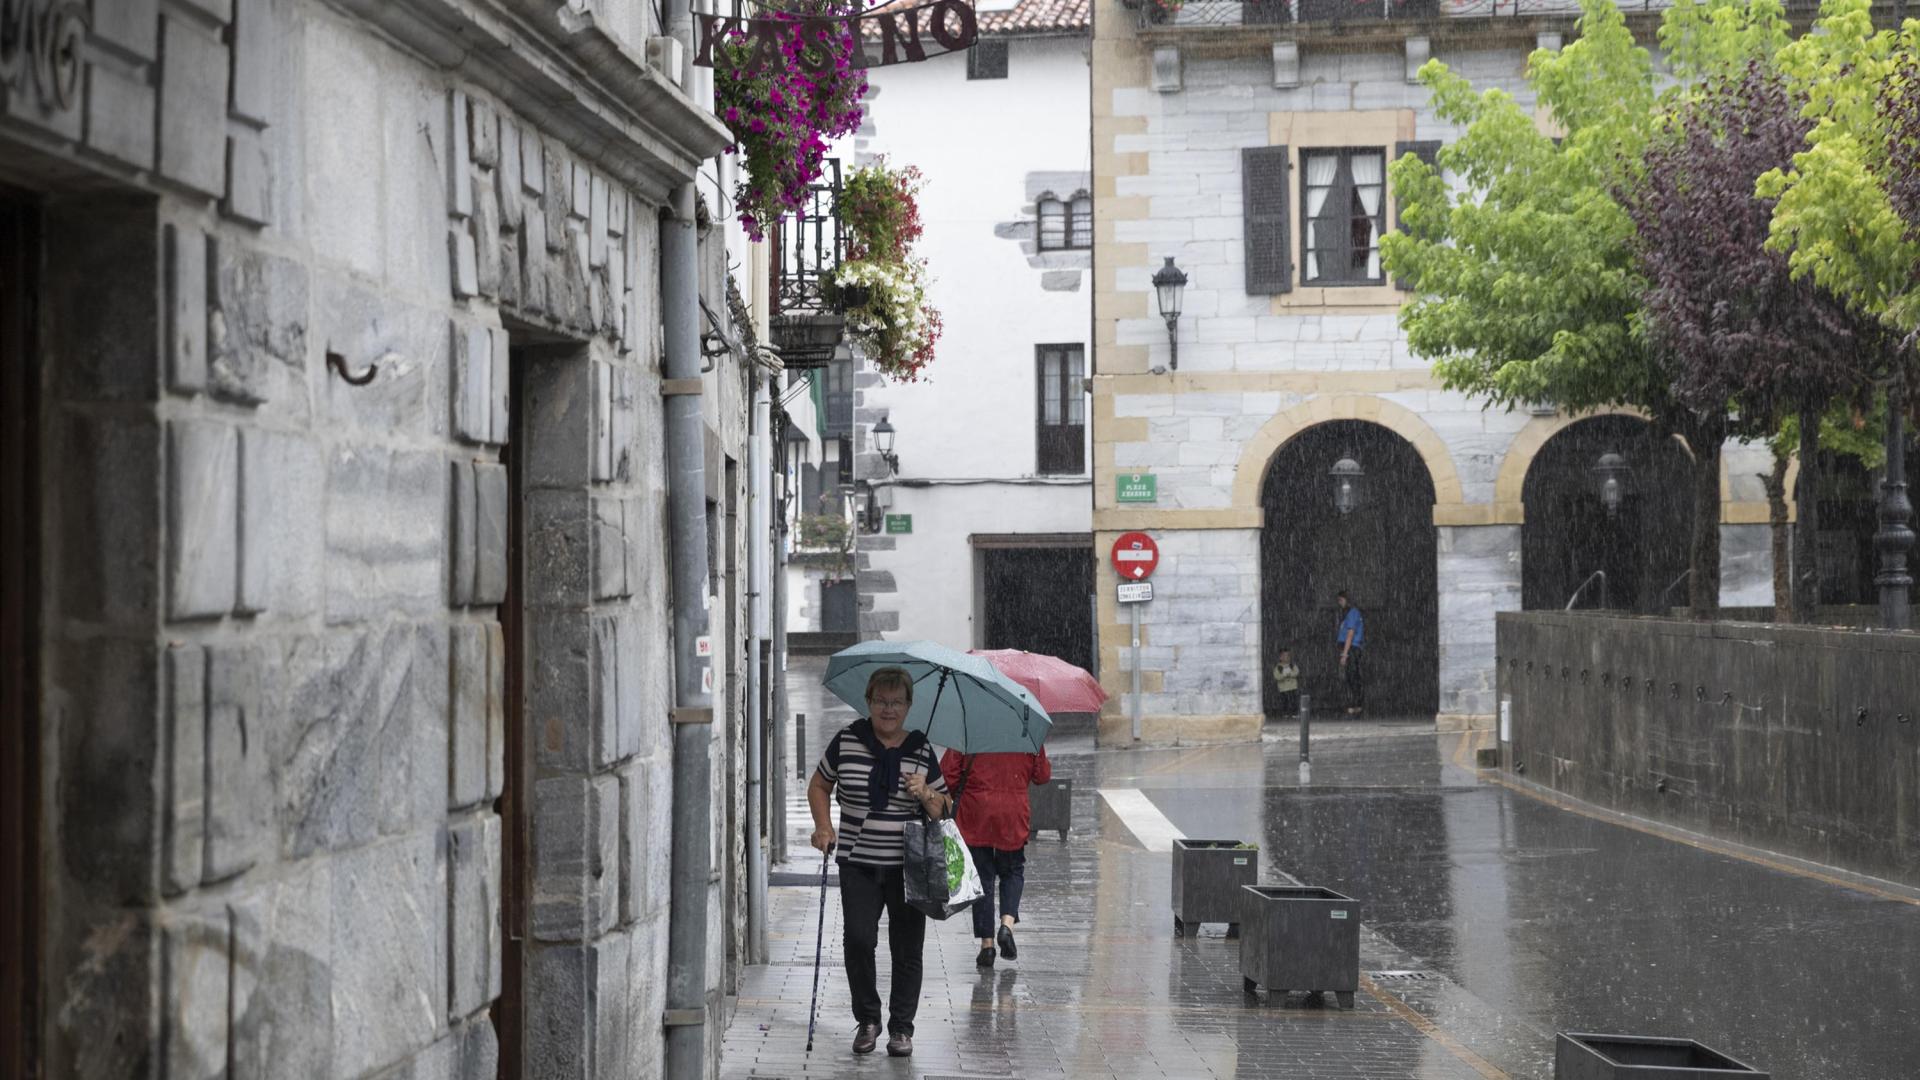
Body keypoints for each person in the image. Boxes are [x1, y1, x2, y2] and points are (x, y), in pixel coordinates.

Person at [807, 667, 952, 1058]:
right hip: (857, 862)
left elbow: (944, 809)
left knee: (907, 950)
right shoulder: (847, 740)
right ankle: (868, 1019)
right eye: (881, 701)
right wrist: (823, 826)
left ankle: (901, 1029)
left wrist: (925, 793)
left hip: (909, 867)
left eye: (896, 702)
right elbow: (820, 784)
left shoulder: (922, 750)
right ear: (868, 702)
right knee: (858, 940)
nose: (888, 709)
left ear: (908, 706)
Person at [939, 744, 1052, 969]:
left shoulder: (969, 732)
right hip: (1012, 813)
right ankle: (1007, 925)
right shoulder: (1027, 735)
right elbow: (1042, 775)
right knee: (1012, 871)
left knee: (982, 879)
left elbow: (948, 775)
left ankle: (987, 946)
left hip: (975, 812)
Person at [1335, 590, 1365, 715]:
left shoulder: (1352, 613)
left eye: (1341, 600)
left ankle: (1356, 704)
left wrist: (1345, 653)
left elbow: (1350, 634)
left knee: (1353, 677)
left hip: (1351, 649)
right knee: (1349, 677)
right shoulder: (1347, 614)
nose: (1340, 603)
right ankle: (1354, 703)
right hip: (1347, 648)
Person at [1271, 647, 1300, 718]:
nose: (1286, 658)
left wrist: (1290, 674)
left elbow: (1297, 672)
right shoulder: (1278, 667)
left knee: (1293, 700)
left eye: (1288, 656)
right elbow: (1276, 676)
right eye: (1284, 656)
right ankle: (1285, 713)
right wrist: (1283, 676)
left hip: (1292, 687)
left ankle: (1294, 713)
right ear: (1280, 657)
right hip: (1283, 688)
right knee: (1284, 701)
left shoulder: (1292, 665)